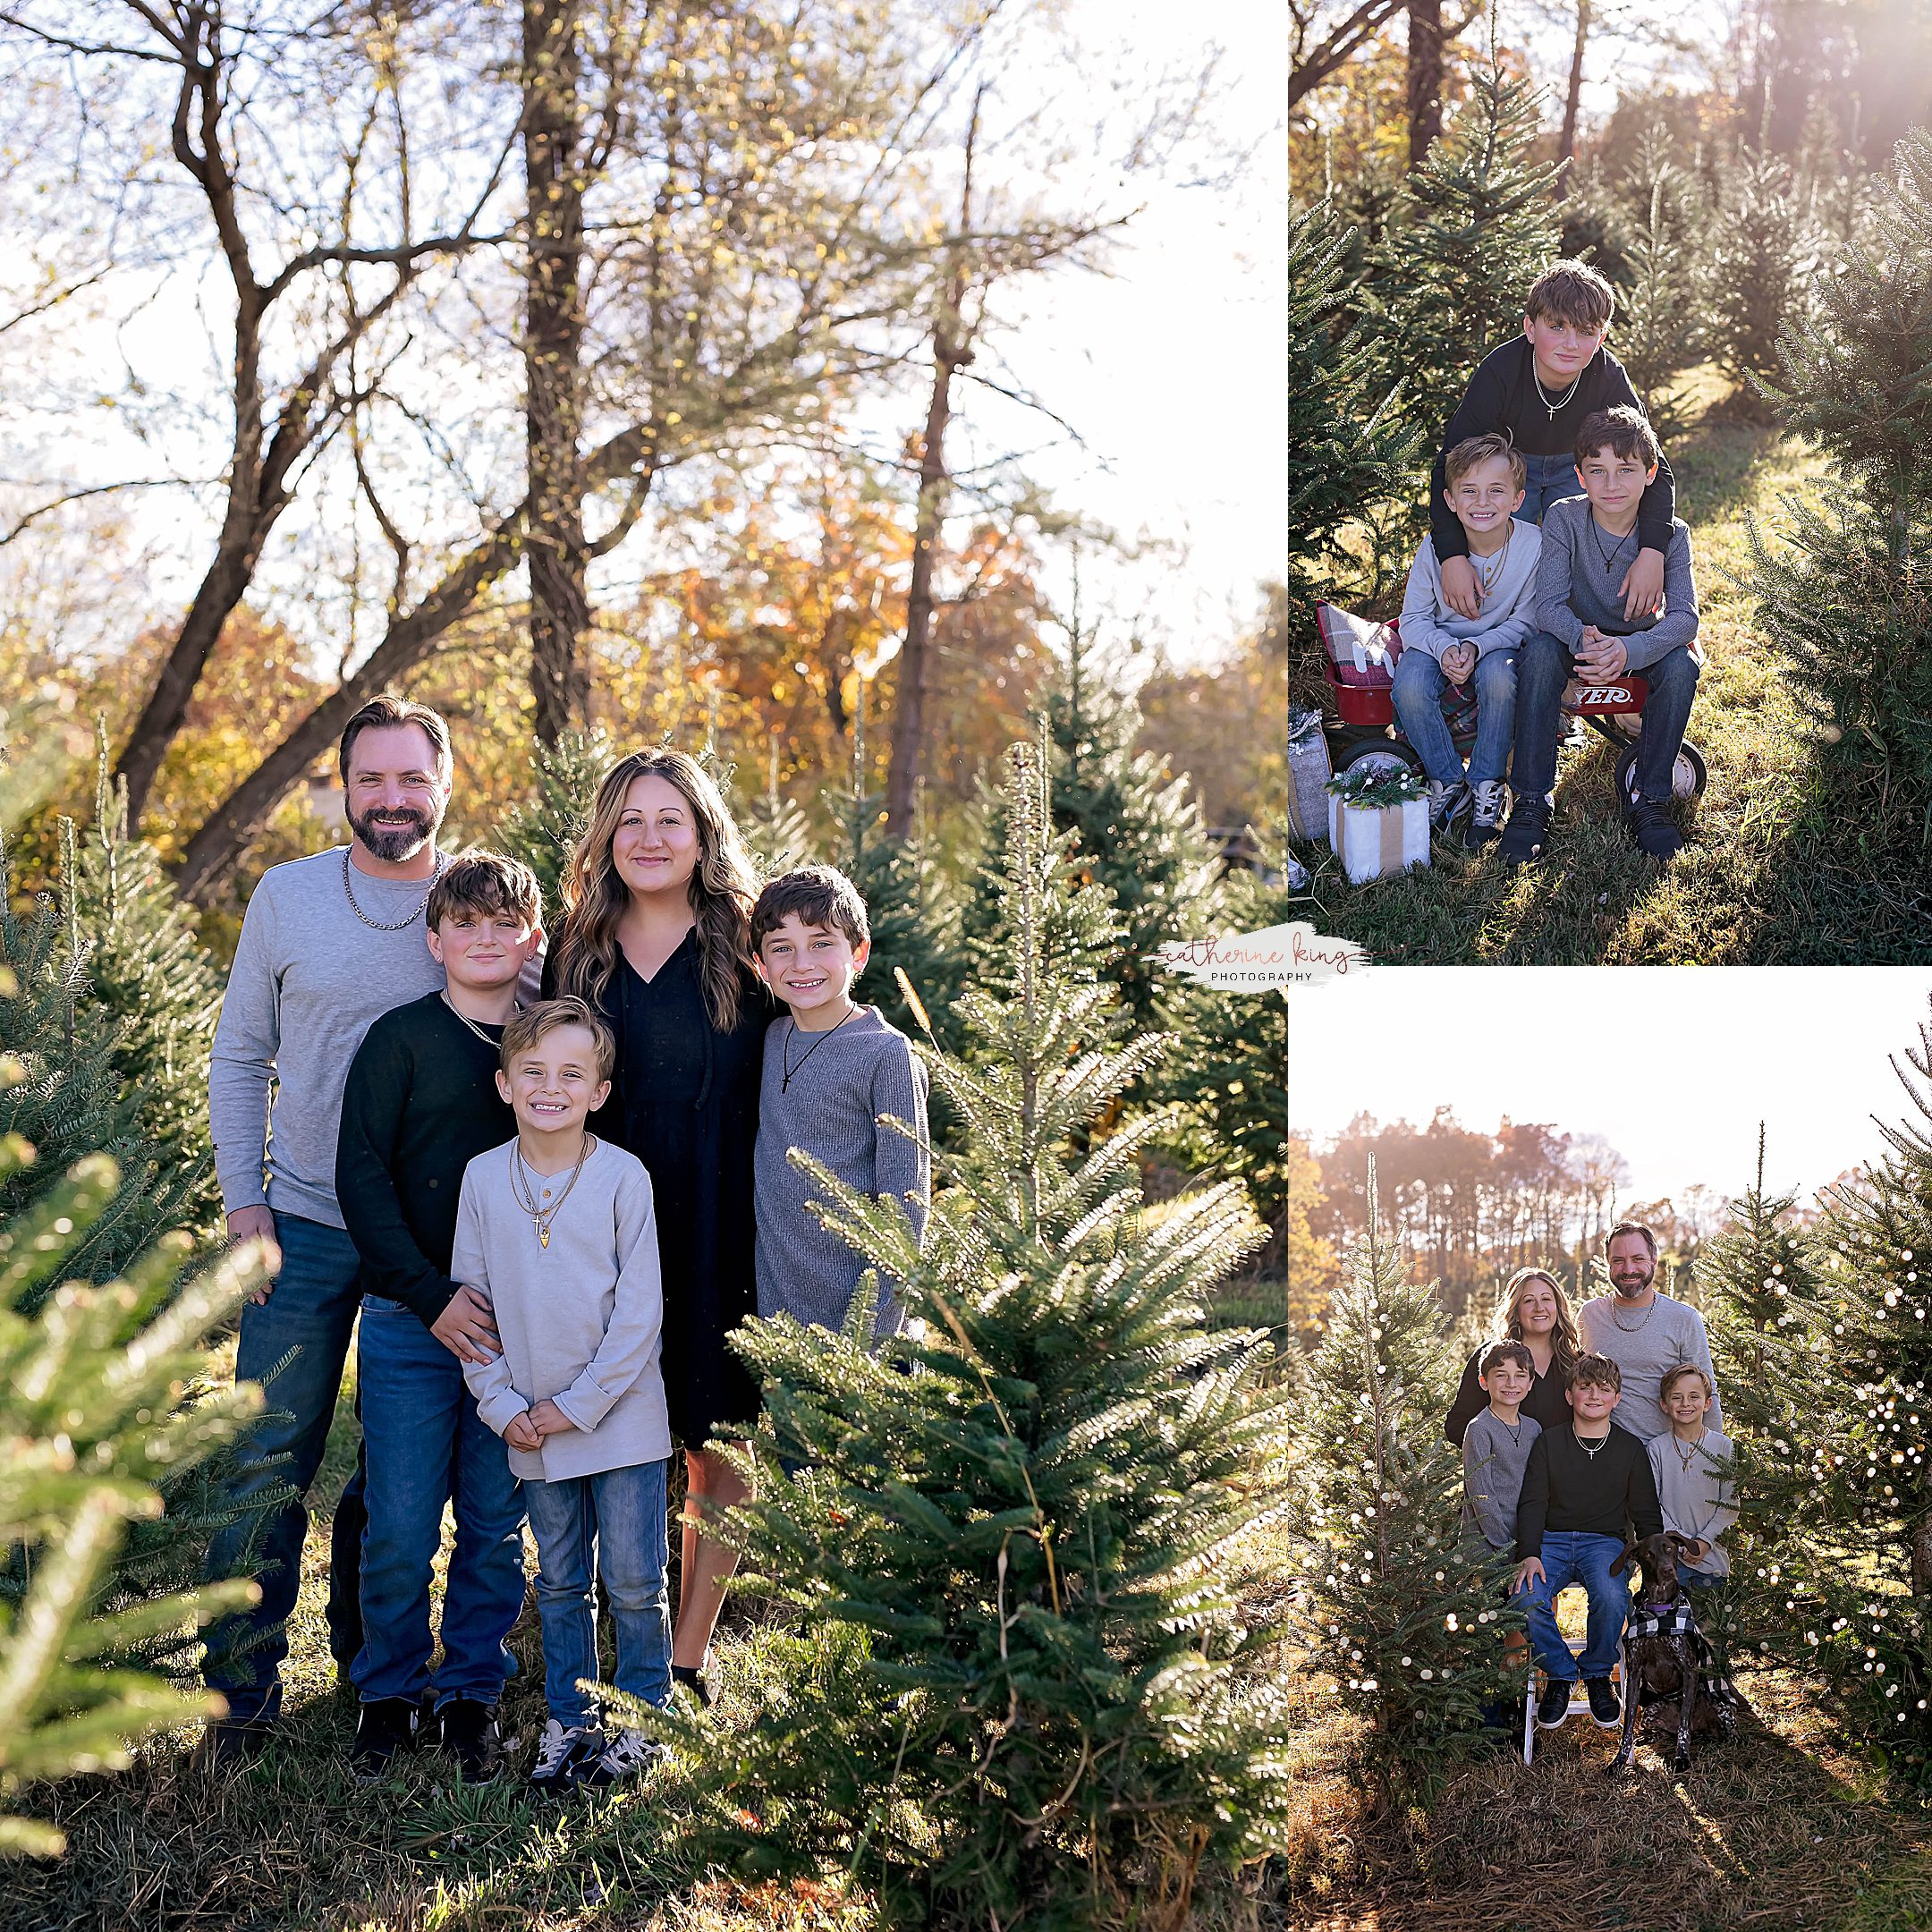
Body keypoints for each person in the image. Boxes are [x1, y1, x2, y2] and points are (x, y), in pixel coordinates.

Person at [200, 694, 461, 1767]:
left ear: (445, 783)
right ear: (343, 786)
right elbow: (236, 1054)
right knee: (267, 1457)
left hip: (429, 1241)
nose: (391, 800)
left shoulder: (484, 901)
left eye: (411, 780)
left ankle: (374, 1673)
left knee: (395, 1475)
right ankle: (237, 1694)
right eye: (372, 781)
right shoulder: (289, 896)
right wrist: (242, 1199)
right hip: (301, 1218)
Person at [544, 749, 780, 1709]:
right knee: (613, 1424)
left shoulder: (748, 942)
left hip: (722, 1220)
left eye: (669, 819)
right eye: (630, 819)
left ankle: (688, 1649)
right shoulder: (573, 948)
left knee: (715, 1440)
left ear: (702, 834)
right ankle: (608, 1618)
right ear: (605, 836)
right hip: (602, 1226)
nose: (649, 837)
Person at [333, 851, 544, 1781]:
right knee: (402, 1521)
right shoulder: (399, 1041)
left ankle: (471, 1693)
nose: (487, 938)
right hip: (410, 1319)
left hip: (518, 1326)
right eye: (467, 923)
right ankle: (387, 1691)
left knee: (496, 1522)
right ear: (436, 939)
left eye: (506, 924)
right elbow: (362, 1178)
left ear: (532, 939)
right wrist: (428, 1295)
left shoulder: (549, 1049)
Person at [453, 997, 673, 1793]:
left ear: (600, 1092)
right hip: (530, 1428)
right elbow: (471, 1308)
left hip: (621, 1421)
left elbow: (640, 1313)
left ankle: (649, 1715)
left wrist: (576, 1405)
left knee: (635, 1578)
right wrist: (503, 1405)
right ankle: (571, 1718)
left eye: (572, 1074)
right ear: (506, 1084)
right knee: (559, 1581)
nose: (552, 1088)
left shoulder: (622, 1177)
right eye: (535, 1072)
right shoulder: (482, 1179)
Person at [1500, 406, 1702, 866]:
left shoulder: (1673, 535)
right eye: (1598, 472)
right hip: (1580, 641)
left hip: (1638, 644)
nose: (1611, 485)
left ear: (1650, 473)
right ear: (1580, 475)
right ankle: (1531, 801)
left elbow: (1686, 618)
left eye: (1625, 470)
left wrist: (1629, 649)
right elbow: (1547, 603)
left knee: (1682, 664)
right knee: (1539, 654)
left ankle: (1649, 798)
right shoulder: (1564, 519)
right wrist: (1582, 640)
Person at [1428, 258, 1675, 623]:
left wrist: (1652, 553)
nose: (1571, 344)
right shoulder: (1501, 371)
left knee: (1586, 544)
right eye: (1557, 327)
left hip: (1576, 473)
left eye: (1586, 331)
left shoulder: (1607, 376)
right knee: (1501, 544)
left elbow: (1655, 469)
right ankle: (1505, 629)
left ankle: (1587, 627)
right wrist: (1451, 556)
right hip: (1512, 471)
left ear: (1602, 337)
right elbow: (1449, 468)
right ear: (1530, 327)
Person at [750, 865, 931, 1346]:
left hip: (866, 1331)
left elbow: (905, 1209)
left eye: (822, 942)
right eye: (782, 948)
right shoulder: (771, 1037)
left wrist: (873, 1337)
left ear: (859, 953)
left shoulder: (887, 1055)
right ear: (761, 966)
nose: (801, 963)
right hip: (781, 1321)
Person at [1392, 432, 1542, 843]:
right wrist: (1444, 649)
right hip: (1438, 639)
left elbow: (1528, 621)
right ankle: (1448, 780)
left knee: (1499, 678)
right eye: (1469, 491)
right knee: (1409, 683)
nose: (1482, 502)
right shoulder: (1435, 549)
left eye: (1496, 491)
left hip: (1498, 644)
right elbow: (1413, 620)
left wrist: (1478, 646)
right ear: (1451, 500)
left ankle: (1487, 785)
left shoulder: (1532, 545)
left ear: (1517, 499)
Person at [1513, 1353, 1664, 1733]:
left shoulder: (1630, 1449)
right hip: (1552, 1541)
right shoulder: (1549, 1444)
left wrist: (1653, 1565)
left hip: (1605, 1543)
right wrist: (1530, 1554)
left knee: (1613, 1598)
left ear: (1617, 1398)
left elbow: (1646, 1513)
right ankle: (1561, 1674)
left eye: (1604, 1389)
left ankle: (1598, 1674)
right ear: (1569, 1395)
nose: (1594, 1395)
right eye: (1585, 1387)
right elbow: (1532, 1503)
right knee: (1526, 1598)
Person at [1579, 1221, 1724, 1446]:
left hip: (1666, 1456)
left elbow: (1707, 1391)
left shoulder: (1683, 1319)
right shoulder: (1590, 1315)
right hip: (1601, 1453)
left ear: (1654, 1260)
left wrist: (1715, 1456)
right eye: (1618, 1261)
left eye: (1638, 1259)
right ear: (1608, 1264)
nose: (1628, 1269)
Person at [1445, 1267, 1580, 1445]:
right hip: (1510, 1472)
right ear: (1515, 1310)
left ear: (1558, 1307)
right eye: (1529, 1301)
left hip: (1562, 1471)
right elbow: (1457, 1425)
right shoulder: (1491, 1357)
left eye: (1546, 1299)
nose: (1539, 1308)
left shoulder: (1576, 1362)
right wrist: (1505, 1452)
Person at [1648, 1365, 1737, 1593]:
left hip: (1712, 1560)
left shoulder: (1723, 1447)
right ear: (1664, 1405)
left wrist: (1704, 1541)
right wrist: (1683, 1541)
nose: (1685, 1403)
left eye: (1694, 1396)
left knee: (1711, 1625)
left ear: (1707, 1403)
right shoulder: (1656, 1449)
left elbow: (1730, 1503)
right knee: (1670, 1625)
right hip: (1669, 1562)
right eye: (1677, 1397)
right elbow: (1652, 1503)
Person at [1462, 1340, 1542, 1557]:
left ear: (1530, 1383)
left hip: (1524, 1542)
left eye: (1520, 1375)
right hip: (1485, 1547)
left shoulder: (1534, 1429)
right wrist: (1505, 1548)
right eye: (1501, 1375)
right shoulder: (1479, 1429)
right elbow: (1481, 1496)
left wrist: (1528, 1545)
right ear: (1484, 1381)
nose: (1511, 1383)